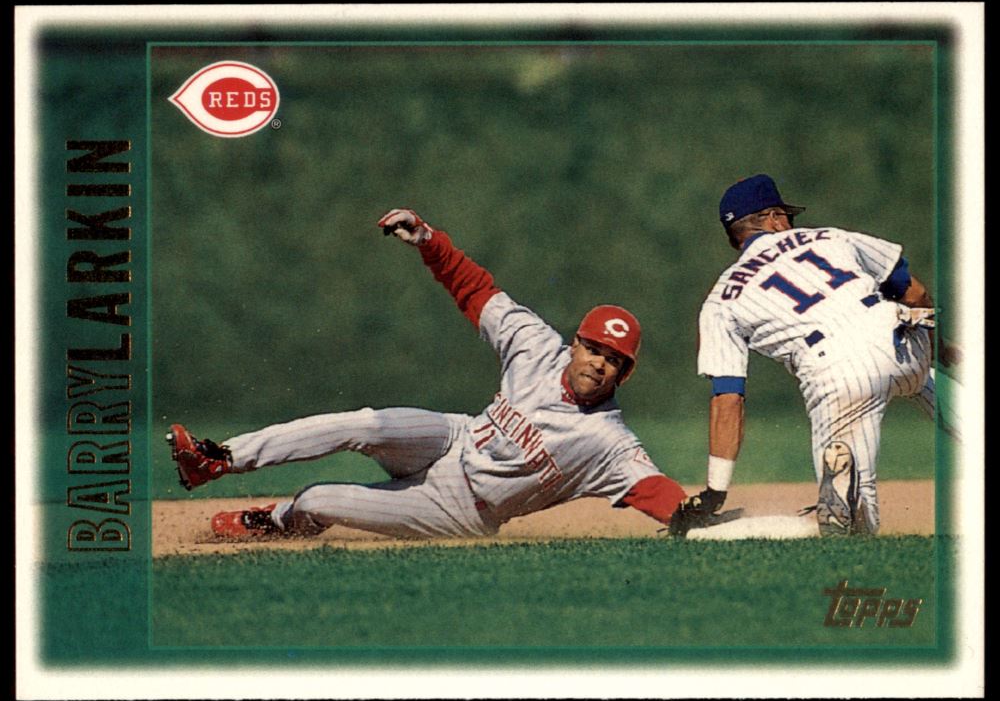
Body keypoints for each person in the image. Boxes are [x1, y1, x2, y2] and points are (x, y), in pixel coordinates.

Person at [168, 208, 688, 540]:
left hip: (460, 509)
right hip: (455, 438)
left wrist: (698, 518)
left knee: (317, 500)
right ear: (576, 343)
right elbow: (474, 288)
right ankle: (219, 459)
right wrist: (427, 240)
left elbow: (657, 493)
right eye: (593, 348)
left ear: (624, 374)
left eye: (614, 359)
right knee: (364, 424)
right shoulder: (537, 346)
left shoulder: (608, 442)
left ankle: (280, 521)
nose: (599, 362)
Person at [671, 173, 957, 537]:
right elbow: (915, 295)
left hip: (838, 373)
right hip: (896, 332)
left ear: (735, 237)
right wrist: (939, 349)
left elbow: (728, 398)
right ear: (774, 218)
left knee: (853, 530)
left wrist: (716, 490)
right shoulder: (831, 236)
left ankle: (843, 496)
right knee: (920, 376)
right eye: (787, 215)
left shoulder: (720, 300)